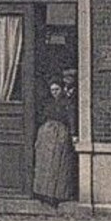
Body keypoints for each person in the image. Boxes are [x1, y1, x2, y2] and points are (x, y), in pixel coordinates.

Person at [33, 79, 77, 208]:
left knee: (58, 164)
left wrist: (73, 134)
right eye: (52, 90)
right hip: (46, 135)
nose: (54, 93)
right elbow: (41, 116)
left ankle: (57, 195)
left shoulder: (67, 103)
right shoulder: (47, 103)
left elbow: (71, 118)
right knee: (45, 164)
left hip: (60, 135)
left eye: (57, 90)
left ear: (61, 89)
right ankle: (43, 193)